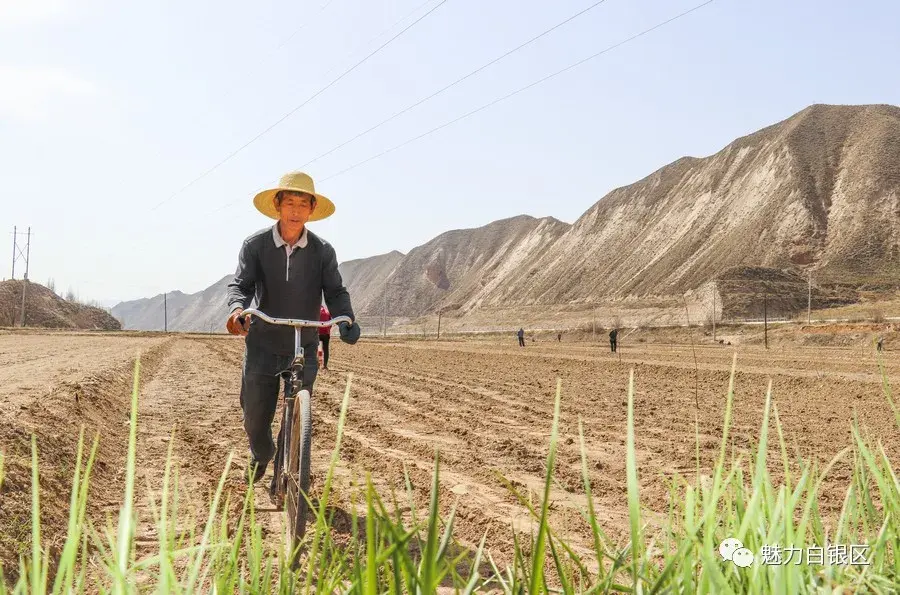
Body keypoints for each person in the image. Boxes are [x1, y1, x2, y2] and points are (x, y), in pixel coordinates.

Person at [225, 171, 361, 487]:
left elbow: (336, 291)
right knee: (254, 418)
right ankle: (262, 453)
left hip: (304, 343)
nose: (296, 210)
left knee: (297, 415)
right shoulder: (256, 246)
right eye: (290, 203)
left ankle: (285, 476)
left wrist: (346, 319)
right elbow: (240, 285)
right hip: (262, 344)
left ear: (311, 210)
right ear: (278, 206)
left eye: (303, 204)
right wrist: (237, 311)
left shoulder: (322, 251)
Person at [319, 304, 332, 369]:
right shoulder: (327, 312)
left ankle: (317, 364)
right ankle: (325, 365)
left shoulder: (316, 312)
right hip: (326, 333)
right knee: (326, 349)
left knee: (316, 349)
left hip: (317, 333)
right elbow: (330, 323)